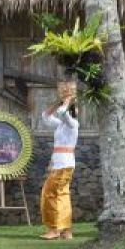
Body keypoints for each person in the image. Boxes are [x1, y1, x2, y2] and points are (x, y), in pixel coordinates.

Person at [39, 95, 79, 240]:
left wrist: (68, 100)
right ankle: (66, 230)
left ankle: (55, 229)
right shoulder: (60, 125)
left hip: (64, 164)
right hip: (61, 164)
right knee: (62, 195)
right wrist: (58, 101)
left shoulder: (73, 124)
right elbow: (45, 116)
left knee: (49, 194)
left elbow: (62, 113)